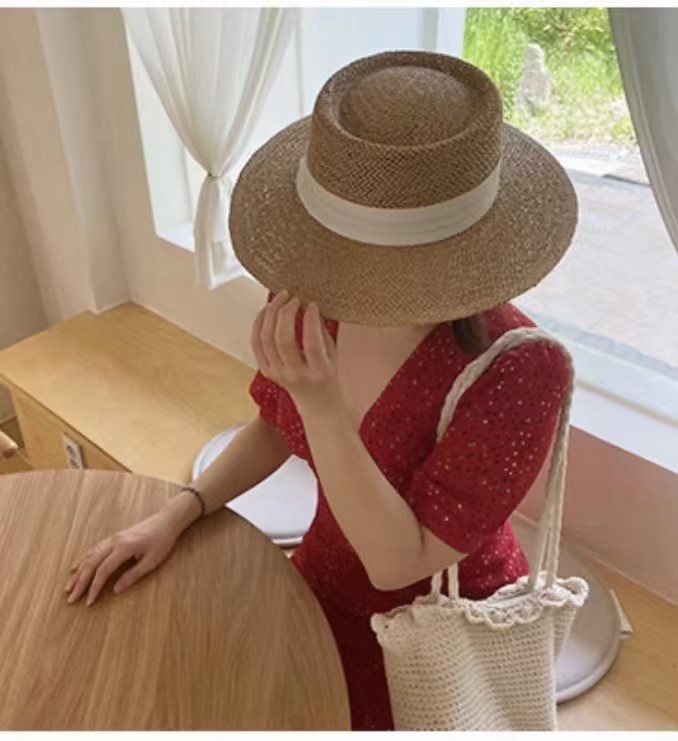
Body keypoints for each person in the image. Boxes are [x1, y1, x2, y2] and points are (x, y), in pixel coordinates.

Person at [64, 51, 577, 731]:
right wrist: (178, 513)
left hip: (444, 633)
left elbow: (400, 562)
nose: (358, 273)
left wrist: (323, 404)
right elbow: (273, 426)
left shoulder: (520, 369)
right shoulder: (315, 296)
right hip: (321, 583)